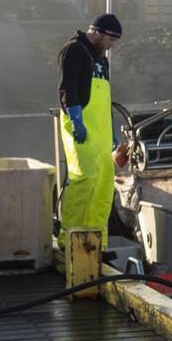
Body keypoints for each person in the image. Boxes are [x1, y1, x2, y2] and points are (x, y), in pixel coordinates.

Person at [56, 13, 129, 237]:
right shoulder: (74, 50)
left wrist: (111, 129)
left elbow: (105, 98)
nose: (110, 46)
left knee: (105, 185)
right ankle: (70, 238)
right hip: (82, 129)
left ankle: (97, 240)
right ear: (96, 32)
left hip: (101, 133)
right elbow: (68, 87)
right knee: (84, 179)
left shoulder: (101, 59)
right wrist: (76, 120)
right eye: (109, 40)